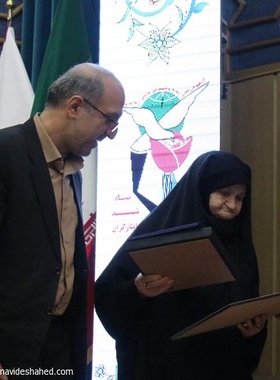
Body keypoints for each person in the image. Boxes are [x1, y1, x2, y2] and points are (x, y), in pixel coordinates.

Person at [0, 63, 125, 379]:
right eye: (110, 119)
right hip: (10, 348)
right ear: (75, 106)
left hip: (58, 345)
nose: (111, 134)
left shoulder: (73, 171)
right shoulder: (5, 153)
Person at [95, 151, 267, 380]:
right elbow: (107, 294)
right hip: (164, 367)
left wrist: (253, 333)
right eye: (224, 193)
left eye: (240, 197)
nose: (233, 205)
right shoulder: (159, 229)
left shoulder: (240, 246)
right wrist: (137, 291)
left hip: (222, 368)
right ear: (203, 190)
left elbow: (247, 305)